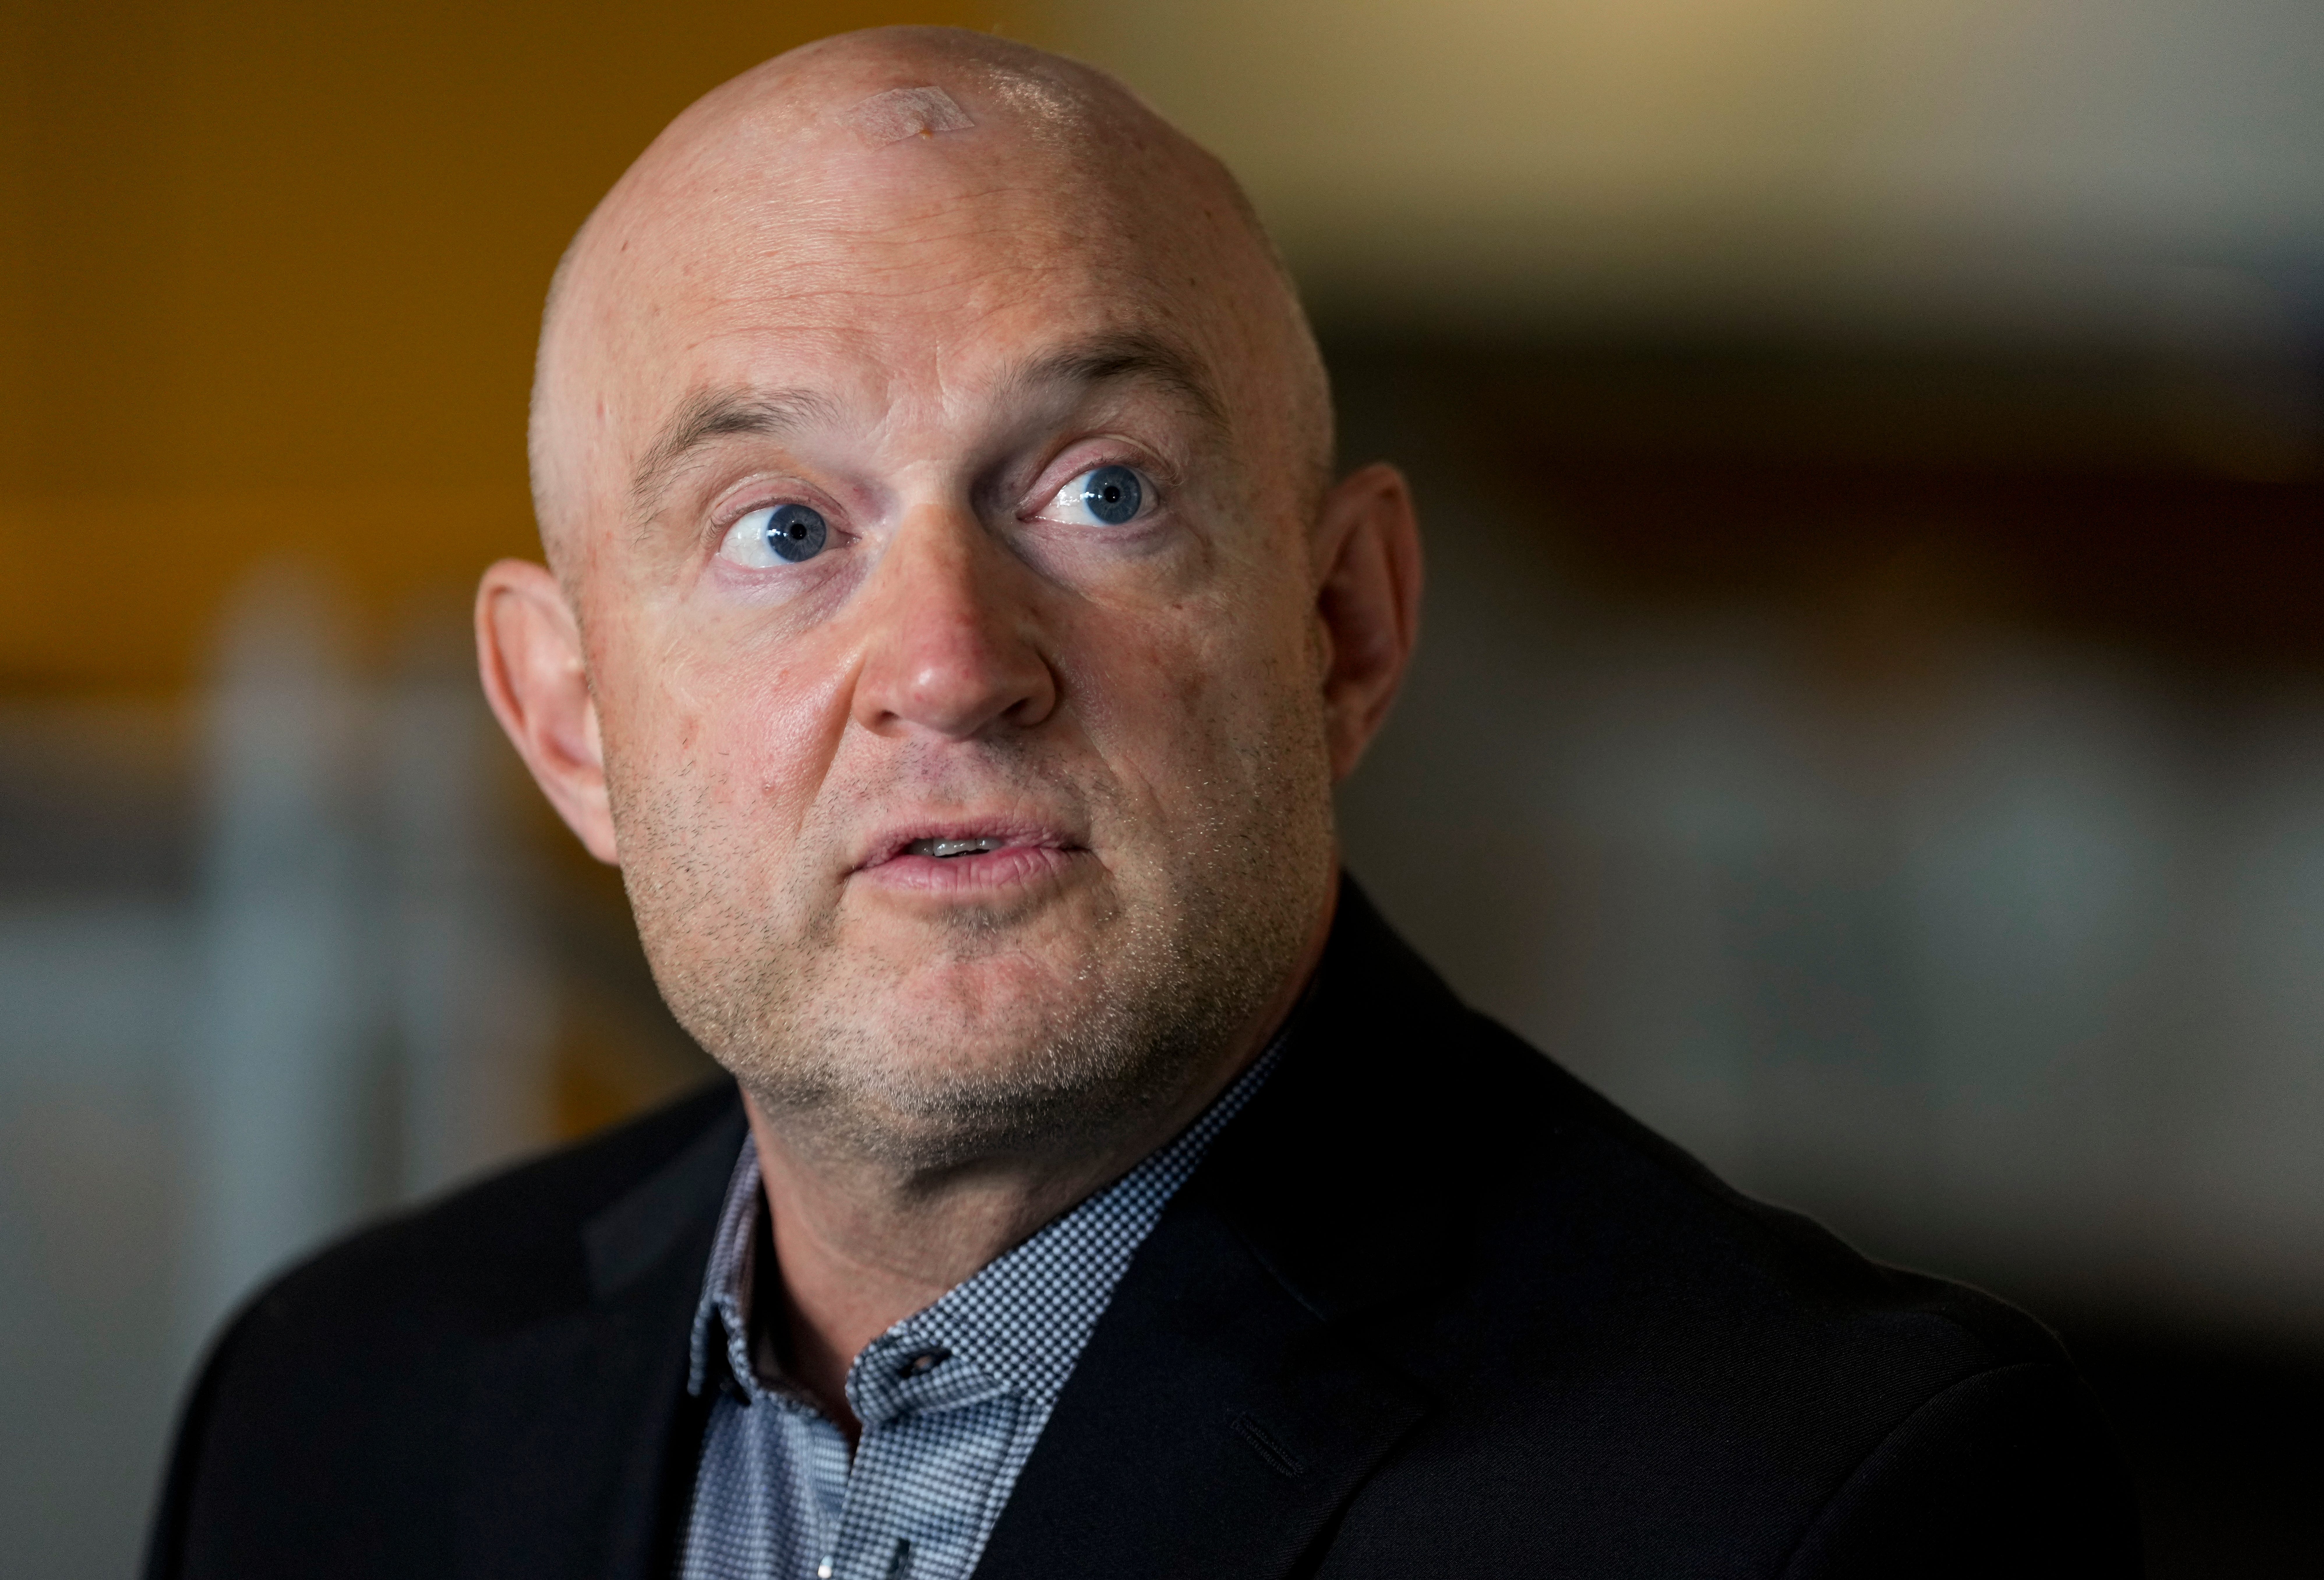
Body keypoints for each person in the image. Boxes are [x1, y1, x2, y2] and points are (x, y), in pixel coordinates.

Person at [144, 27, 2139, 1580]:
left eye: (1100, 491)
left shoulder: (1815, 1503)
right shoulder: (328, 1412)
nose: (950, 664)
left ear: (1343, 625)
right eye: (781, 529)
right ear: (568, 721)